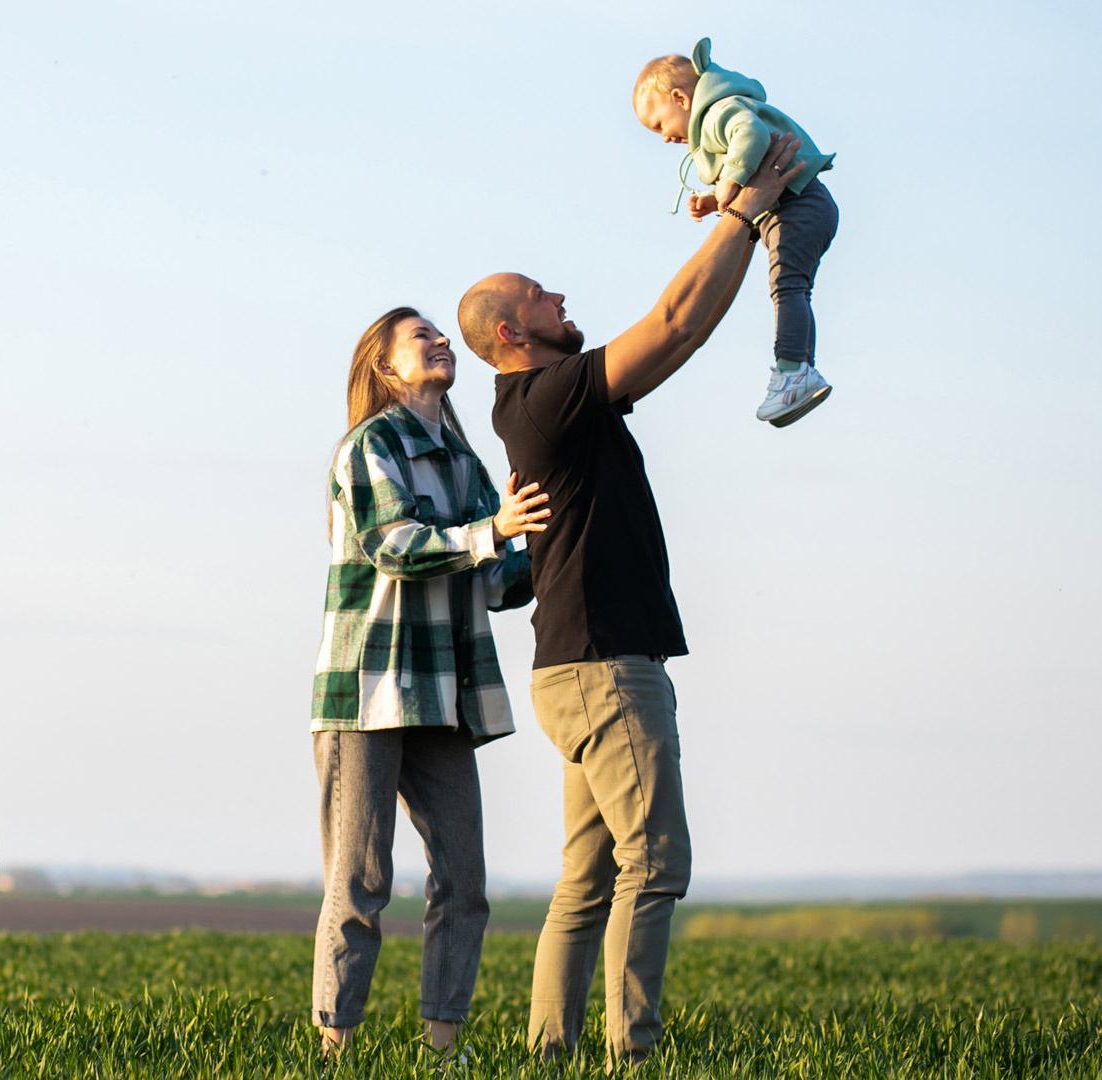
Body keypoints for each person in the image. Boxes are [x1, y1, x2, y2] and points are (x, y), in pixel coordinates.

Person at [455, 134, 807, 1064]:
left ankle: (550, 1056)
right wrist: (747, 211)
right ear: (511, 332)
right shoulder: (545, 397)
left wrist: (744, 226)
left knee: (588, 882)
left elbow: (684, 334)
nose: (560, 297)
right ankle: (632, 1057)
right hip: (605, 670)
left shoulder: (547, 402)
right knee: (655, 863)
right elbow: (673, 323)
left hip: (579, 670)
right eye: (542, 295)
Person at [308, 306, 548, 1056]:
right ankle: (335, 1053)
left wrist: (546, 549)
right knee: (361, 881)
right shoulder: (369, 445)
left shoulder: (466, 462)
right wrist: (493, 533)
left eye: (443, 335)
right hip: (365, 690)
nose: (443, 341)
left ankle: (444, 1050)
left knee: (464, 881)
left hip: (445, 694)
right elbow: (395, 544)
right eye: (424, 336)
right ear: (385, 365)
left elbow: (495, 582)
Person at [634, 37, 840, 428]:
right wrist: (716, 199)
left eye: (660, 125)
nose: (664, 138)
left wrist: (728, 183)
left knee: (788, 287)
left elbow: (752, 136)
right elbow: (751, 168)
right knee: (793, 287)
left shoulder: (718, 113)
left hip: (798, 205)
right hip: (801, 206)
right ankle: (798, 370)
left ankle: (793, 371)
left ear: (680, 98)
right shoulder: (717, 117)